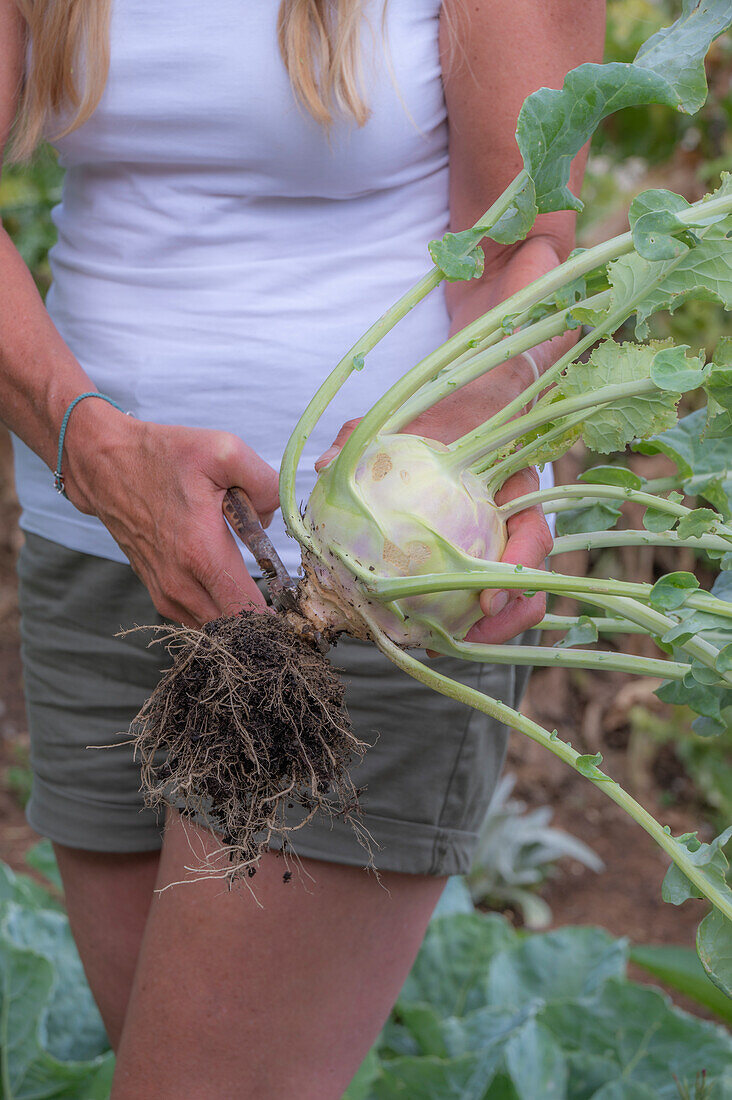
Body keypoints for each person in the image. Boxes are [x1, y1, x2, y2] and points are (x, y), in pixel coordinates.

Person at [0, 1, 605, 1096]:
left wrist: (486, 405)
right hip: (94, 547)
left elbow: (528, 233)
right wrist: (89, 442)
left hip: (367, 584)